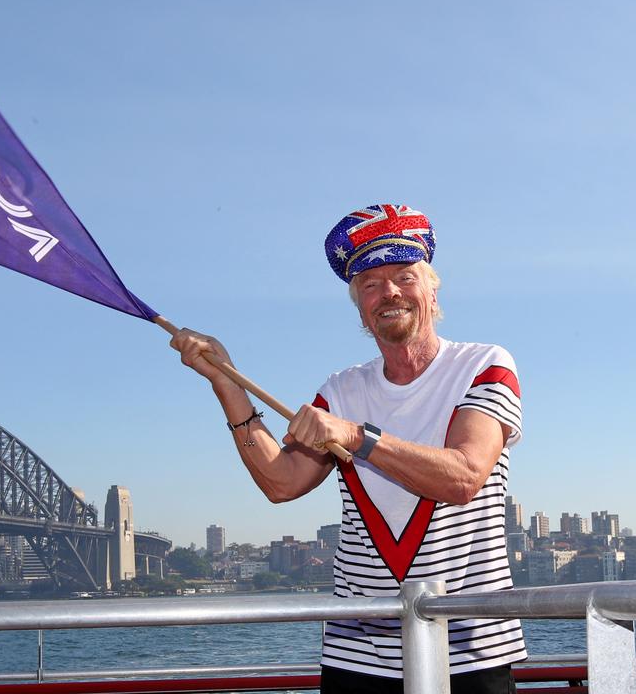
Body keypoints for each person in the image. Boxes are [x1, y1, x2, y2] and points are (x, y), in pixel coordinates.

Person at [171, 205, 525, 694]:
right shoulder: (340, 390)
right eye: (370, 284)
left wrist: (357, 437)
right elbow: (282, 482)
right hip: (358, 653)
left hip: (470, 649)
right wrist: (225, 382)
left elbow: (463, 477)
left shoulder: (484, 365)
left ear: (434, 288)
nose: (389, 293)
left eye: (404, 276)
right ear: (359, 304)